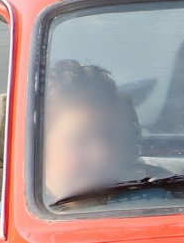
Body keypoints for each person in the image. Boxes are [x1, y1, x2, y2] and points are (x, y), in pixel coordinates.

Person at [41, 60, 147, 204]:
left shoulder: (159, 199)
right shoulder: (7, 222)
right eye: (79, 140)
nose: (101, 155)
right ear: (39, 150)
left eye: (110, 136)